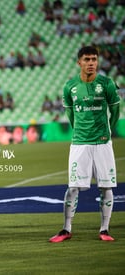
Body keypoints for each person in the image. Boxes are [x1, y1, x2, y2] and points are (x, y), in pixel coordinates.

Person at [49, 45, 121, 243]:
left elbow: (115, 111)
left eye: (94, 59)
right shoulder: (69, 86)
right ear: (79, 62)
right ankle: (66, 229)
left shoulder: (107, 84)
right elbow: (71, 114)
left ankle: (104, 229)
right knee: (73, 187)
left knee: (106, 187)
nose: (91, 63)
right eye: (87, 59)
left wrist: (107, 131)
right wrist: (79, 131)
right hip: (80, 142)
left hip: (103, 143)